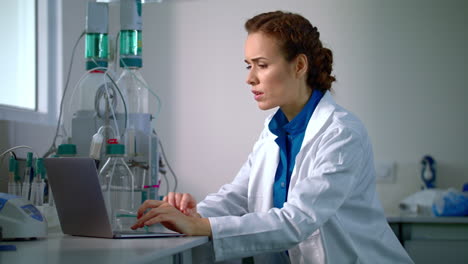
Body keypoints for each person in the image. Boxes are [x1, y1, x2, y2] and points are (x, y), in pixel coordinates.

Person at [132, 11, 414, 264]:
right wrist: (190, 214)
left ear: (299, 66)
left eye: (262, 65)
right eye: (248, 65)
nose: (250, 78)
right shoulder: (274, 129)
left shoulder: (341, 133)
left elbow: (297, 221)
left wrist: (201, 226)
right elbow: (240, 195)